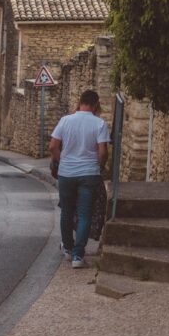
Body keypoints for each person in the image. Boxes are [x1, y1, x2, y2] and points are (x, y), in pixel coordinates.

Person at [48, 90, 109, 269]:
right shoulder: (99, 123)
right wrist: (100, 166)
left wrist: (62, 161)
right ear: (96, 104)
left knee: (66, 212)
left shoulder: (65, 120)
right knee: (84, 214)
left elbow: (53, 146)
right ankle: (77, 256)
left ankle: (67, 248)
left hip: (67, 173)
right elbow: (103, 152)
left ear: (79, 102)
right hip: (89, 173)